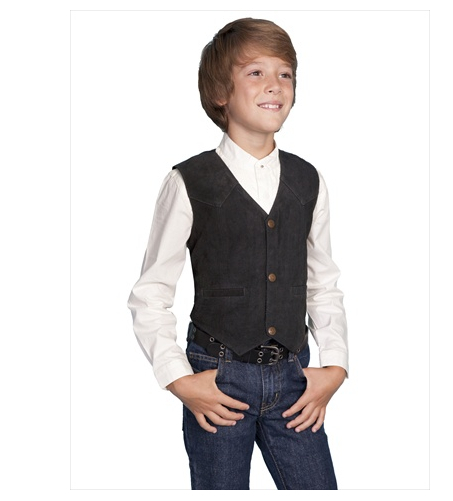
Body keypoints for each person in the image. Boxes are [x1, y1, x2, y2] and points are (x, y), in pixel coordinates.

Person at [127, 17, 349, 490]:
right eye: (256, 73)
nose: (275, 84)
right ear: (220, 93)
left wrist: (335, 364)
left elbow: (322, 282)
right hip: (217, 380)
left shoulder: (308, 181)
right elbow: (150, 294)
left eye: (285, 73)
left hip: (295, 381)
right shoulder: (189, 182)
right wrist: (180, 380)